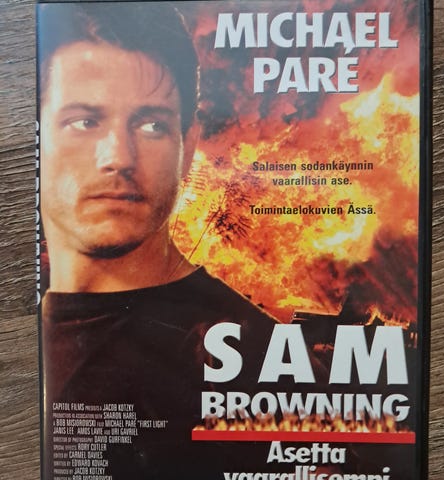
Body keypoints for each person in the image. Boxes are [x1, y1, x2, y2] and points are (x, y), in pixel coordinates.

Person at [38, 3, 330, 479]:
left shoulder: (261, 365)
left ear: (187, 147)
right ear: (36, 139)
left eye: (151, 124)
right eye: (85, 121)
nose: (118, 157)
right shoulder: (26, 331)